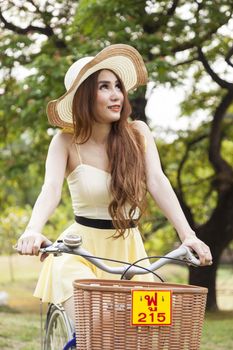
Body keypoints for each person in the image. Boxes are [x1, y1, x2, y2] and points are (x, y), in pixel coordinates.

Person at [16, 44, 212, 323]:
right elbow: (50, 191)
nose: (116, 95)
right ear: (84, 96)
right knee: (96, 324)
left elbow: (158, 182)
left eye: (118, 86)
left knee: (150, 329)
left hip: (132, 253)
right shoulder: (65, 142)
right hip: (78, 252)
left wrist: (187, 235)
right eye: (104, 87)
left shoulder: (139, 133)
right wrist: (33, 230)